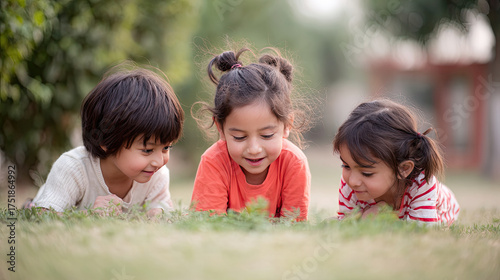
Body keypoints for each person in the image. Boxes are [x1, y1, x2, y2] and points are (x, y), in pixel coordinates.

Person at [29, 63, 184, 217]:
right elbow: (44, 215)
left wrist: (158, 213)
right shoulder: (74, 168)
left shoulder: (157, 175)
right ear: (107, 142)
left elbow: (161, 211)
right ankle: (28, 204)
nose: (159, 161)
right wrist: (89, 214)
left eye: (166, 148)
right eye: (148, 150)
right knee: (32, 208)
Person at [190, 48, 311, 221]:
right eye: (239, 137)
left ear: (287, 125)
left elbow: (293, 227)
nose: (254, 149)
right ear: (220, 128)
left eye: (267, 135)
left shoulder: (294, 163)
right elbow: (208, 226)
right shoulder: (214, 162)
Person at [333, 99, 460, 225]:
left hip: (445, 209)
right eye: (346, 166)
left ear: (403, 169)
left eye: (366, 173)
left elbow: (422, 231)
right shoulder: (350, 184)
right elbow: (346, 223)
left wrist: (383, 217)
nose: (353, 181)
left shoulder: (421, 184)